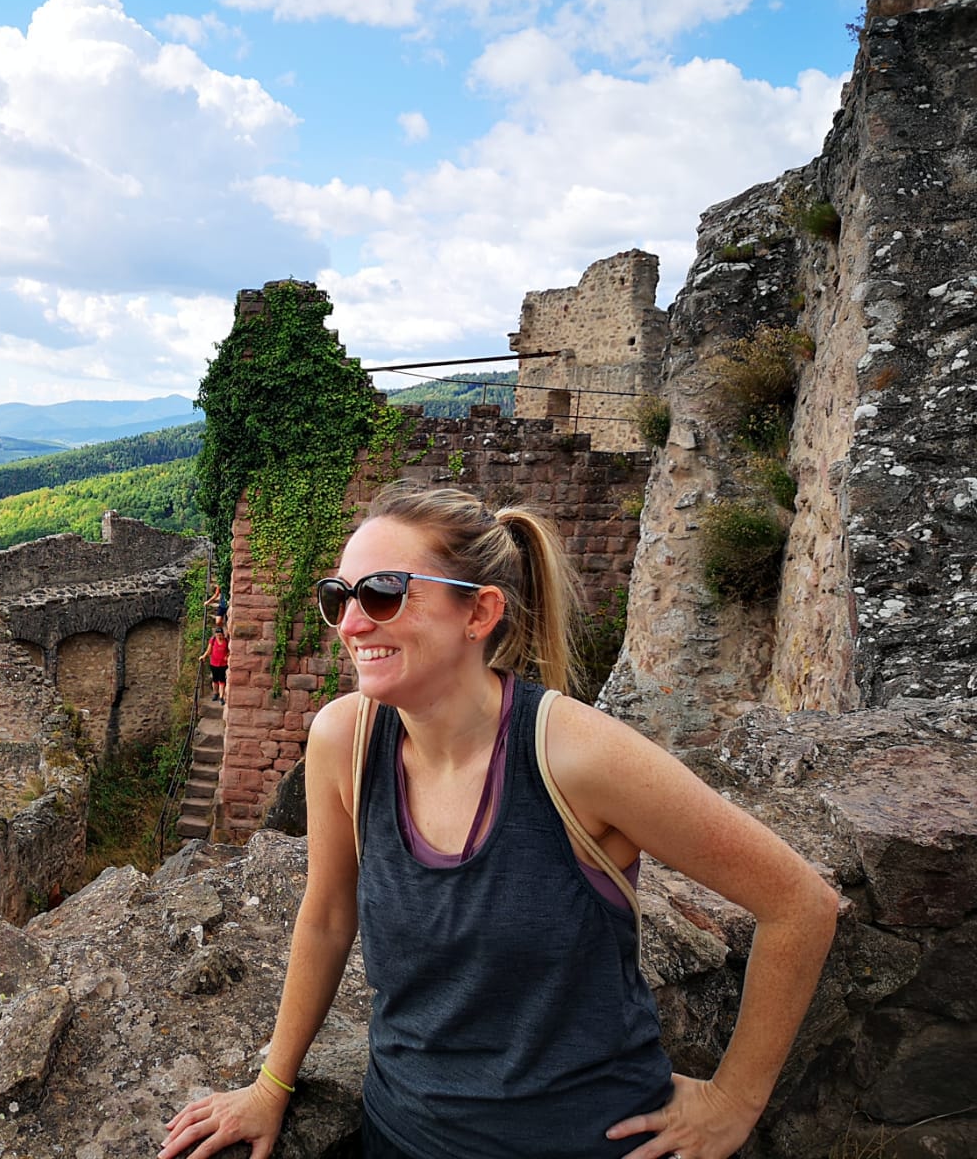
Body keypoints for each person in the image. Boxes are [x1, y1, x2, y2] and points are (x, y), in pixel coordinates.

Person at [161, 482, 836, 1159]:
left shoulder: (575, 756)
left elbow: (799, 905)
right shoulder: (346, 740)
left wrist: (733, 1102)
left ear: (479, 612)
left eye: (384, 593)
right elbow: (329, 913)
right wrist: (271, 1084)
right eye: (339, 597)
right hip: (403, 1138)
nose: (352, 623)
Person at [207, 627, 230, 703]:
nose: (219, 637)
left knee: (222, 680)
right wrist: (203, 656)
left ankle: (221, 697)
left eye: (220, 635)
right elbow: (209, 650)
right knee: (215, 680)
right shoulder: (213, 640)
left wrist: (227, 656)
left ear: (223, 634)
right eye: (217, 635)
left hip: (223, 664)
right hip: (214, 663)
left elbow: (230, 651)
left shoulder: (226, 641)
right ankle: (215, 693)